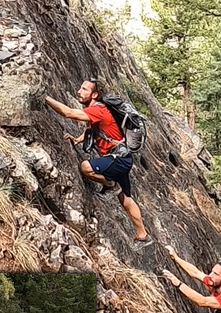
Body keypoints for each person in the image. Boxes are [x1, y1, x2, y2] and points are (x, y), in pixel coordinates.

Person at [45, 77, 153, 250]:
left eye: (85, 89)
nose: (79, 91)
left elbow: (68, 113)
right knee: (125, 198)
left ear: (94, 94)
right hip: (122, 158)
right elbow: (93, 129)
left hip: (117, 159)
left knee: (86, 167)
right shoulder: (96, 110)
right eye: (80, 88)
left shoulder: (98, 110)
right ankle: (143, 234)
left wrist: (45, 97)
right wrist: (77, 139)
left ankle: (110, 184)